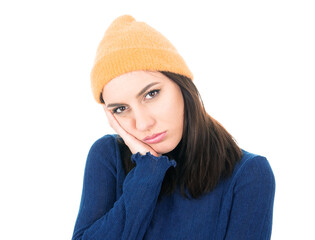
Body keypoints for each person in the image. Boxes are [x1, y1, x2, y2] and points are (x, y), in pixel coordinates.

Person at [71, 15, 275, 240]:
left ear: (182, 85)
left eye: (151, 94)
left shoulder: (248, 174)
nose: (143, 123)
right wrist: (147, 170)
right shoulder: (109, 156)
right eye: (120, 109)